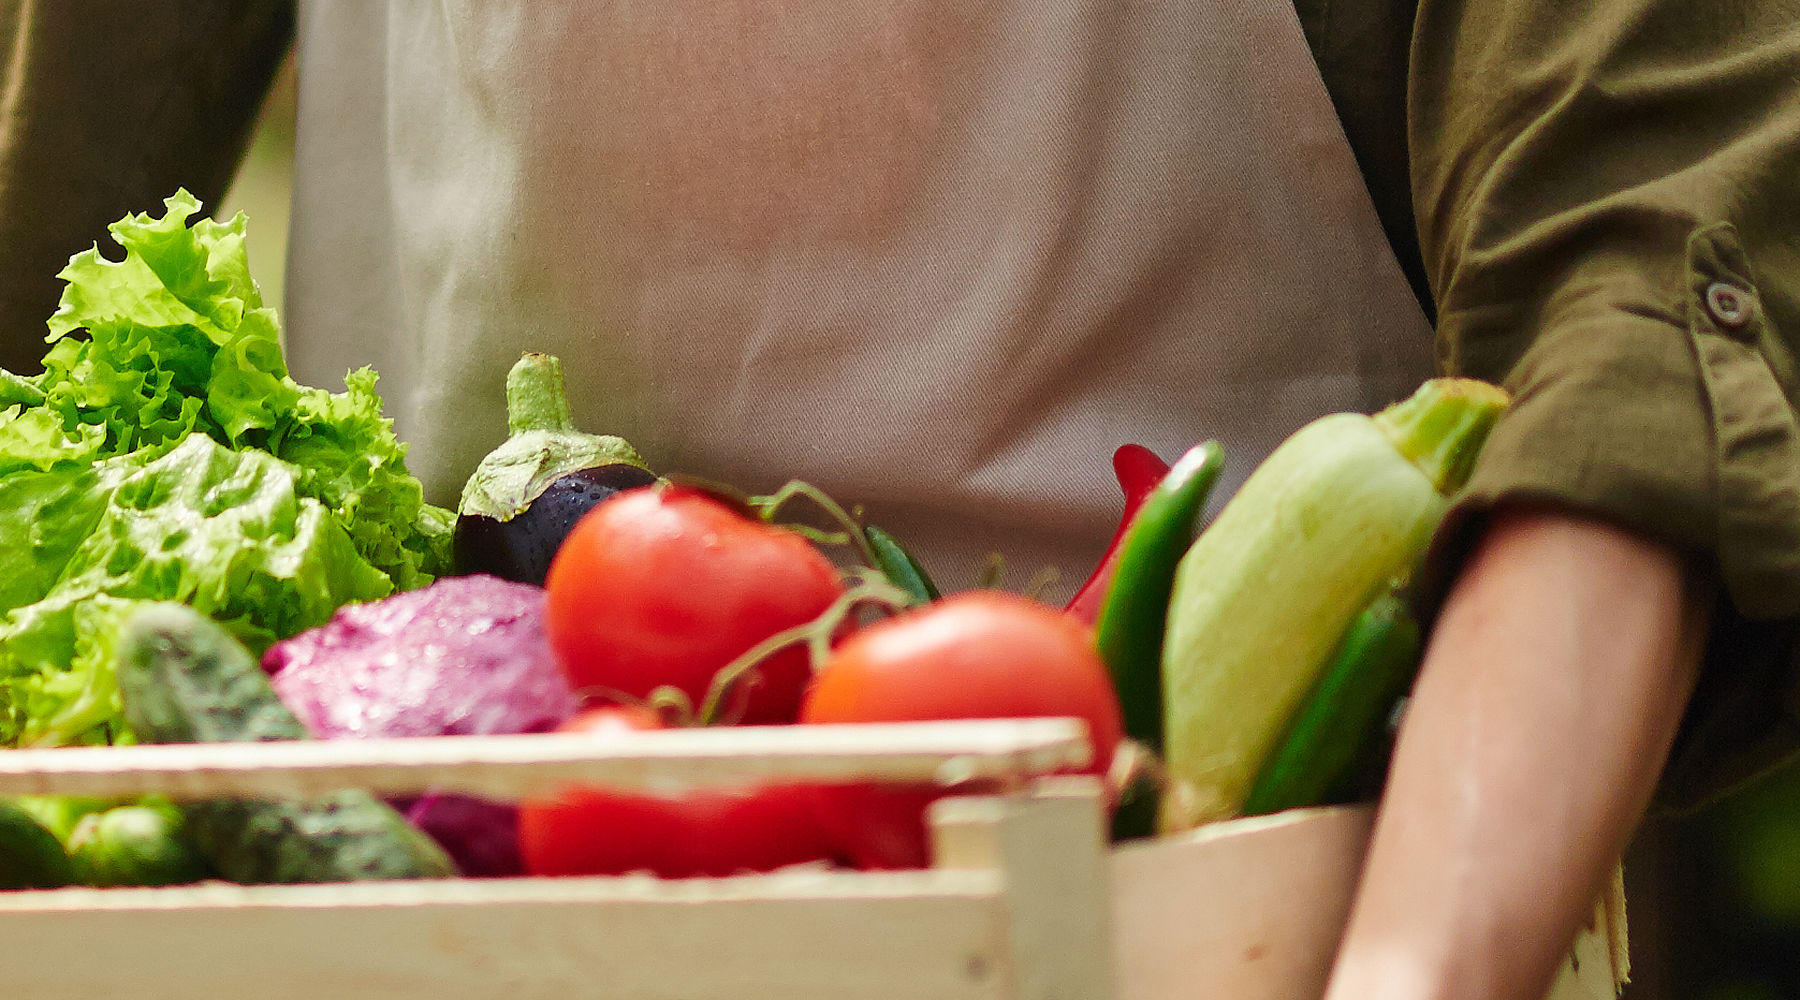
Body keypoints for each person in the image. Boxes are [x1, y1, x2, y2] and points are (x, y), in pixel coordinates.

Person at [1, 2, 1796, 997]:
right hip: (418, 893)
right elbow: (42, 194)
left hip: (1215, 910)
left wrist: (1414, 977)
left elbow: (1638, 288)